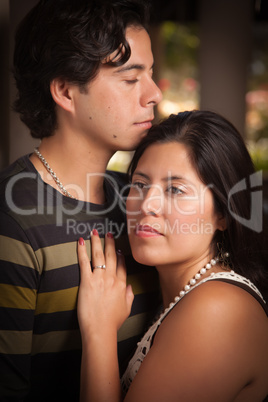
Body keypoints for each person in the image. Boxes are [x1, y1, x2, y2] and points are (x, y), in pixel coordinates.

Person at [0, 0, 162, 400]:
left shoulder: (141, 199)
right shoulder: (13, 218)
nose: (155, 94)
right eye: (130, 79)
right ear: (65, 91)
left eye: (151, 74)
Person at [77, 110, 268, 402]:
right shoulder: (182, 295)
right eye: (140, 185)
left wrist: (99, 332)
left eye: (175, 190)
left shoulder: (219, 310)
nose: (147, 204)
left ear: (223, 215)